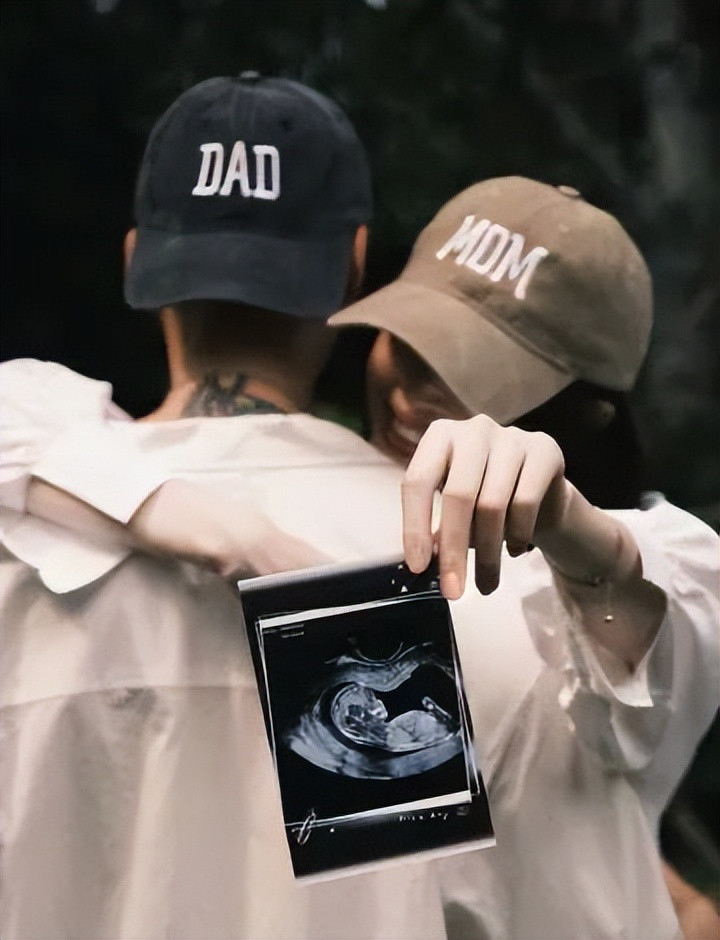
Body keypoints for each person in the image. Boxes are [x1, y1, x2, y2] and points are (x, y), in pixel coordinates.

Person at [1, 164, 718, 940]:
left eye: (479, 375)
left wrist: (577, 533)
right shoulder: (366, 592)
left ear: (586, 416)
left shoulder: (593, 599)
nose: (414, 396)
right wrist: (195, 520)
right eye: (409, 345)